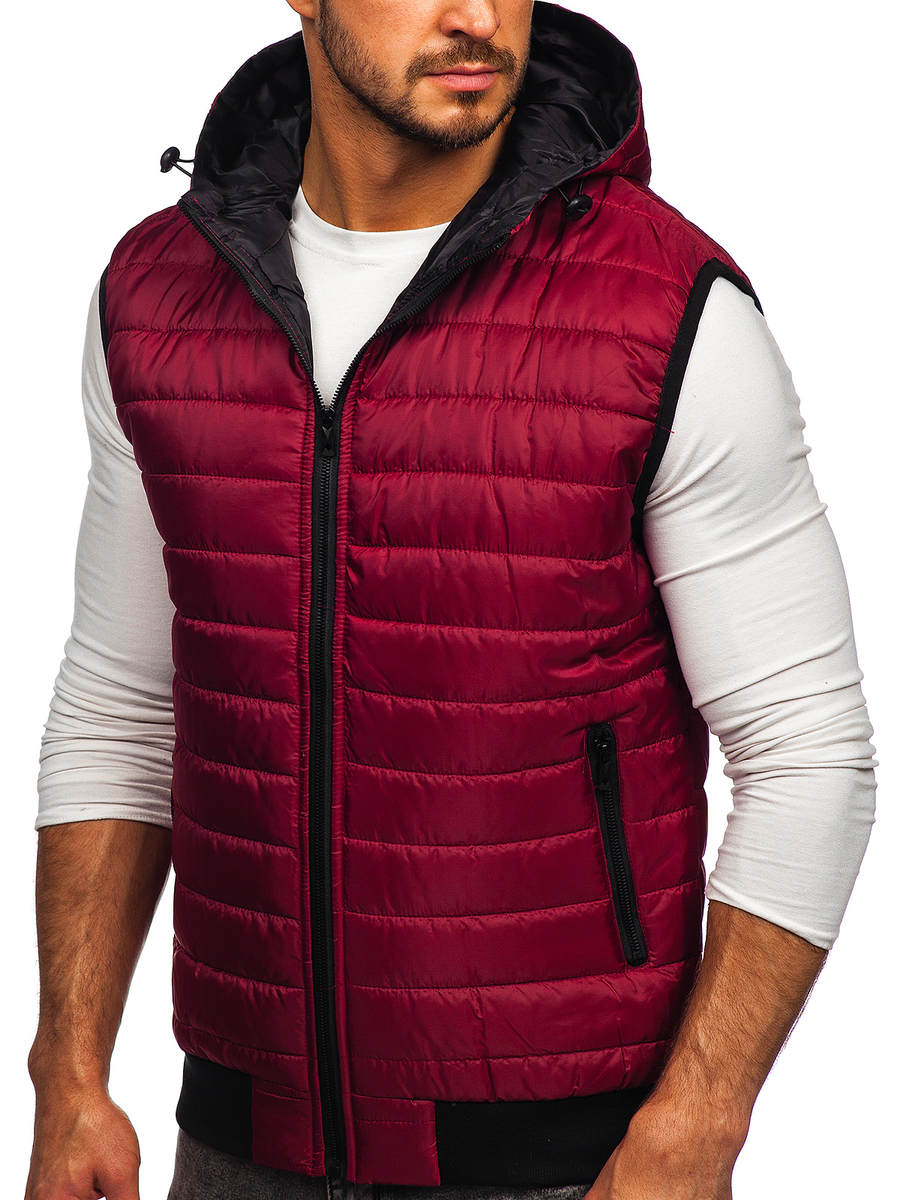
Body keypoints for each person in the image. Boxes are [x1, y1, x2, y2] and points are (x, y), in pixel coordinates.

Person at [26, 1, 877, 1198]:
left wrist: (699, 1124)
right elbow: (123, 706)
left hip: (565, 1161)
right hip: (234, 1143)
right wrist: (67, 1074)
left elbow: (808, 749)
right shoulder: (159, 297)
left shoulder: (663, 309)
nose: (477, 17)